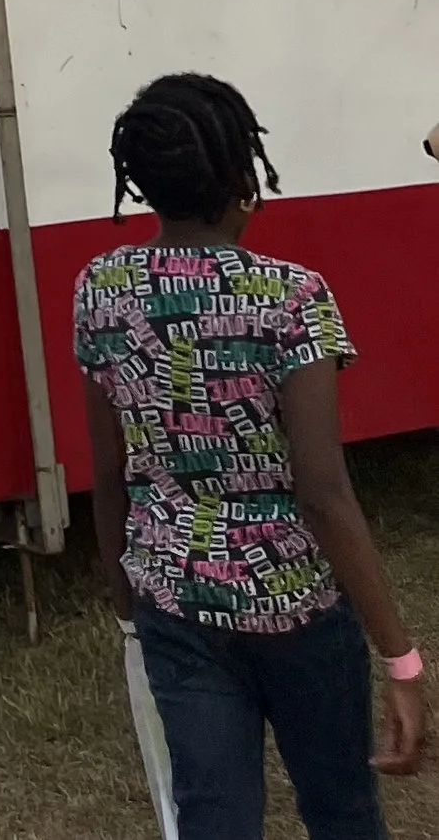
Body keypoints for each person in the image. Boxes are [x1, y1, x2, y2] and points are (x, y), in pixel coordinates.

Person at [77, 71, 426, 837]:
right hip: (296, 606)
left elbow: (110, 474)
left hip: (172, 595)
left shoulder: (101, 288)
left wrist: (128, 600)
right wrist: (400, 657)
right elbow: (323, 492)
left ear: (142, 181)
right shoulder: (292, 295)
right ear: (244, 174)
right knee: (340, 809)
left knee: (214, 814)